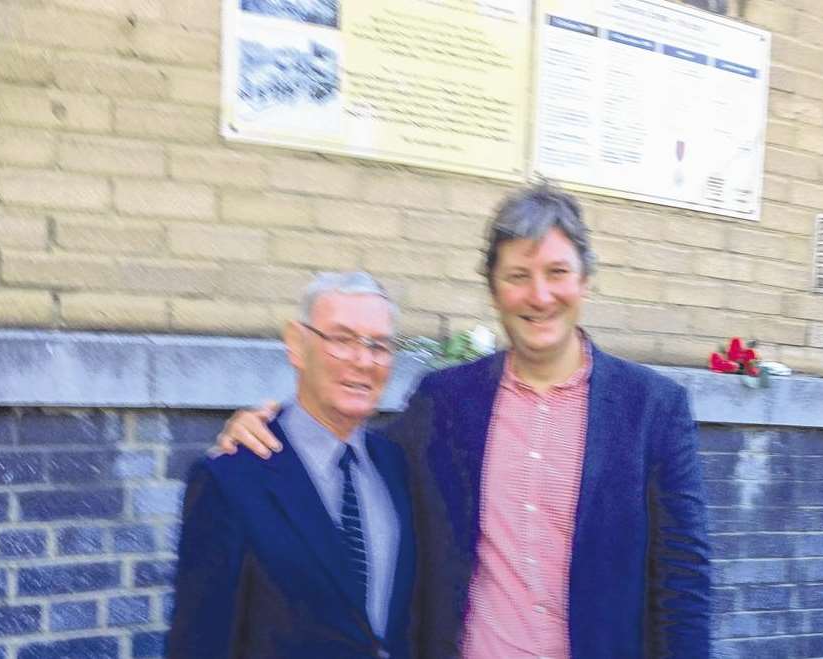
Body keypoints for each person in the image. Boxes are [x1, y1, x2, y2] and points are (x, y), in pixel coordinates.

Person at [217, 185, 711, 658]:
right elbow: (357, 461)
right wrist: (275, 430)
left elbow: (682, 578)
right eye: (518, 276)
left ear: (584, 280)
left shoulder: (652, 409)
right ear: (494, 291)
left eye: (557, 272)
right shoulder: (445, 402)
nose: (539, 296)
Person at [169, 272, 416, 659]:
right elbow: (200, 643)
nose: (364, 360)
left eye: (379, 346)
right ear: (297, 345)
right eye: (342, 339)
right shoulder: (231, 479)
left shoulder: (398, 466)